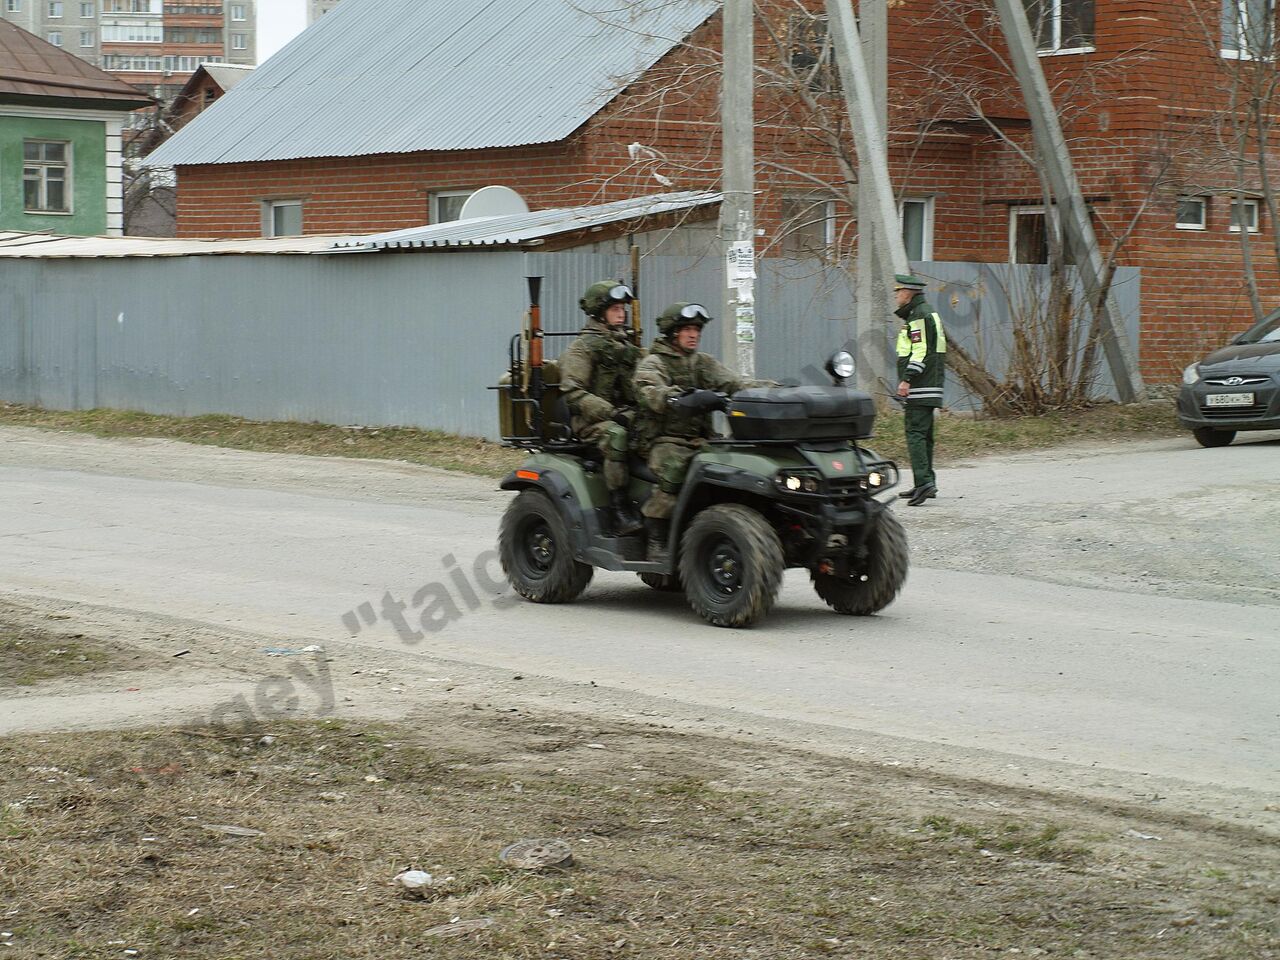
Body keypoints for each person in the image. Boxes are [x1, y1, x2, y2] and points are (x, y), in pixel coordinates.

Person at [632, 302, 776, 559]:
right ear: (673, 332)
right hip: (664, 441)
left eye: (697, 330)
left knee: (740, 465)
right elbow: (648, 391)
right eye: (687, 329)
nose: (694, 334)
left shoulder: (703, 362)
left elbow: (735, 384)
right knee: (675, 470)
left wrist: (772, 390)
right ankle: (656, 534)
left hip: (702, 440)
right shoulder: (654, 363)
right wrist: (677, 399)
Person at [559, 279, 646, 535]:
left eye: (623, 309)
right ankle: (619, 511)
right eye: (615, 309)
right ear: (600, 312)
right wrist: (611, 413)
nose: (622, 314)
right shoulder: (582, 349)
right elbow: (572, 392)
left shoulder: (627, 346)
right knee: (617, 436)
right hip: (592, 423)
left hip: (626, 415)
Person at [892, 273, 947, 506]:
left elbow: (920, 351)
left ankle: (924, 483)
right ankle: (924, 482)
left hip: (921, 385)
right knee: (924, 436)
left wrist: (906, 379)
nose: (896, 296)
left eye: (898, 292)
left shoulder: (918, 316)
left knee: (915, 433)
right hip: (930, 383)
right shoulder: (925, 313)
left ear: (908, 293)